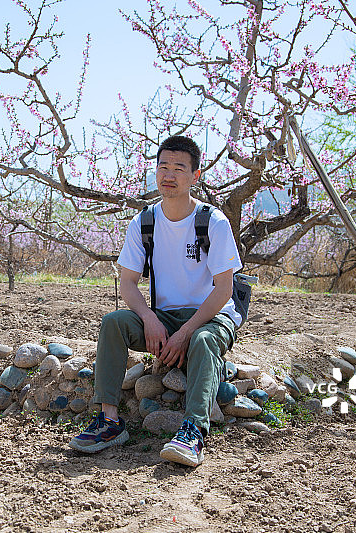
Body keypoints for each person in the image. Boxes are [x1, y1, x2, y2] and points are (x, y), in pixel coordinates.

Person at [69, 135, 242, 467]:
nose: (169, 175)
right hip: (164, 316)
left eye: (179, 168)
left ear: (196, 176)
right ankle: (109, 421)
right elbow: (128, 283)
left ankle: (193, 432)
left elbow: (223, 291)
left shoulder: (212, 221)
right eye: (163, 166)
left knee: (204, 341)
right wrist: (149, 319)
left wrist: (185, 332)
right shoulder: (144, 222)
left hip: (211, 317)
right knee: (114, 322)